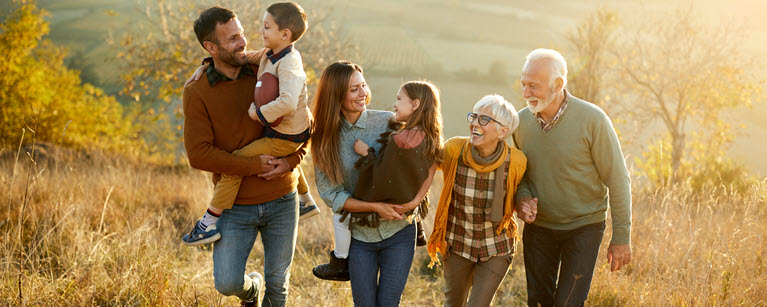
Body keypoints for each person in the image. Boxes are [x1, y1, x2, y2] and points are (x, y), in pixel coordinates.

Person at [182, 6, 307, 306]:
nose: (243, 42)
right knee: (227, 283)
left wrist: (290, 162)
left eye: (242, 34)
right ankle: (251, 289)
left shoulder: (266, 67)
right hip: (235, 206)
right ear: (210, 47)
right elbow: (198, 155)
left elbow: (303, 122)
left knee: (279, 285)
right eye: (232, 38)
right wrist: (252, 165)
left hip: (281, 198)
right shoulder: (197, 90)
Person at [311, 61, 436, 306]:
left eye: (363, 85)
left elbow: (422, 162)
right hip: (360, 237)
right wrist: (375, 207)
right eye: (353, 89)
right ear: (336, 94)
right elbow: (331, 194)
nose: (363, 93)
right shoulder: (325, 139)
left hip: (399, 231)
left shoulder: (389, 121)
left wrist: (414, 202)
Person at [514, 48, 632, 307]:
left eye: (534, 86)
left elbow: (618, 179)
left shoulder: (593, 120)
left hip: (584, 228)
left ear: (558, 85)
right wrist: (522, 198)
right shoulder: (519, 122)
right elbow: (518, 175)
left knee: (568, 303)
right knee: (538, 302)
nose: (525, 93)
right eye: (523, 84)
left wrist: (621, 236)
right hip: (539, 229)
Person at [427, 94, 527, 307]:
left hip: (496, 247)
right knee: (453, 303)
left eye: (484, 119)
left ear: (503, 131)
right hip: (459, 245)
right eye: (474, 117)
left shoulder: (516, 160)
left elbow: (523, 188)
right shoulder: (454, 150)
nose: (474, 123)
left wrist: (526, 202)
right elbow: (422, 164)